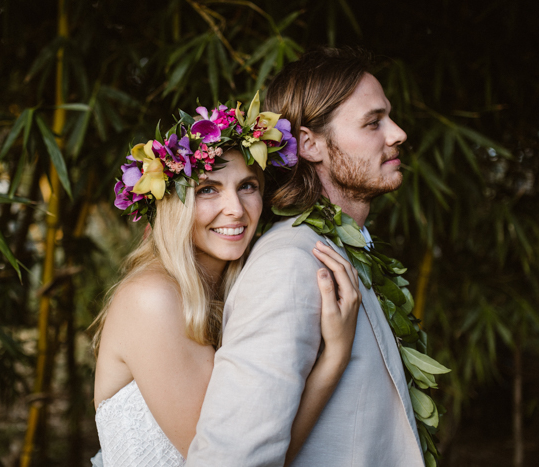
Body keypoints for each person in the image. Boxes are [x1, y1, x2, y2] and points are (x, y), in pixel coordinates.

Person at [91, 95, 363, 466]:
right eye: (207, 189)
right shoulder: (152, 299)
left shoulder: (234, 290)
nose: (236, 208)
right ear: (172, 205)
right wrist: (334, 359)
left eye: (248, 186)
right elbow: (235, 458)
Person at [186, 48, 425, 466]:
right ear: (310, 143)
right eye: (373, 123)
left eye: (389, 117)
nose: (398, 133)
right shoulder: (290, 266)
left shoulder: (342, 250)